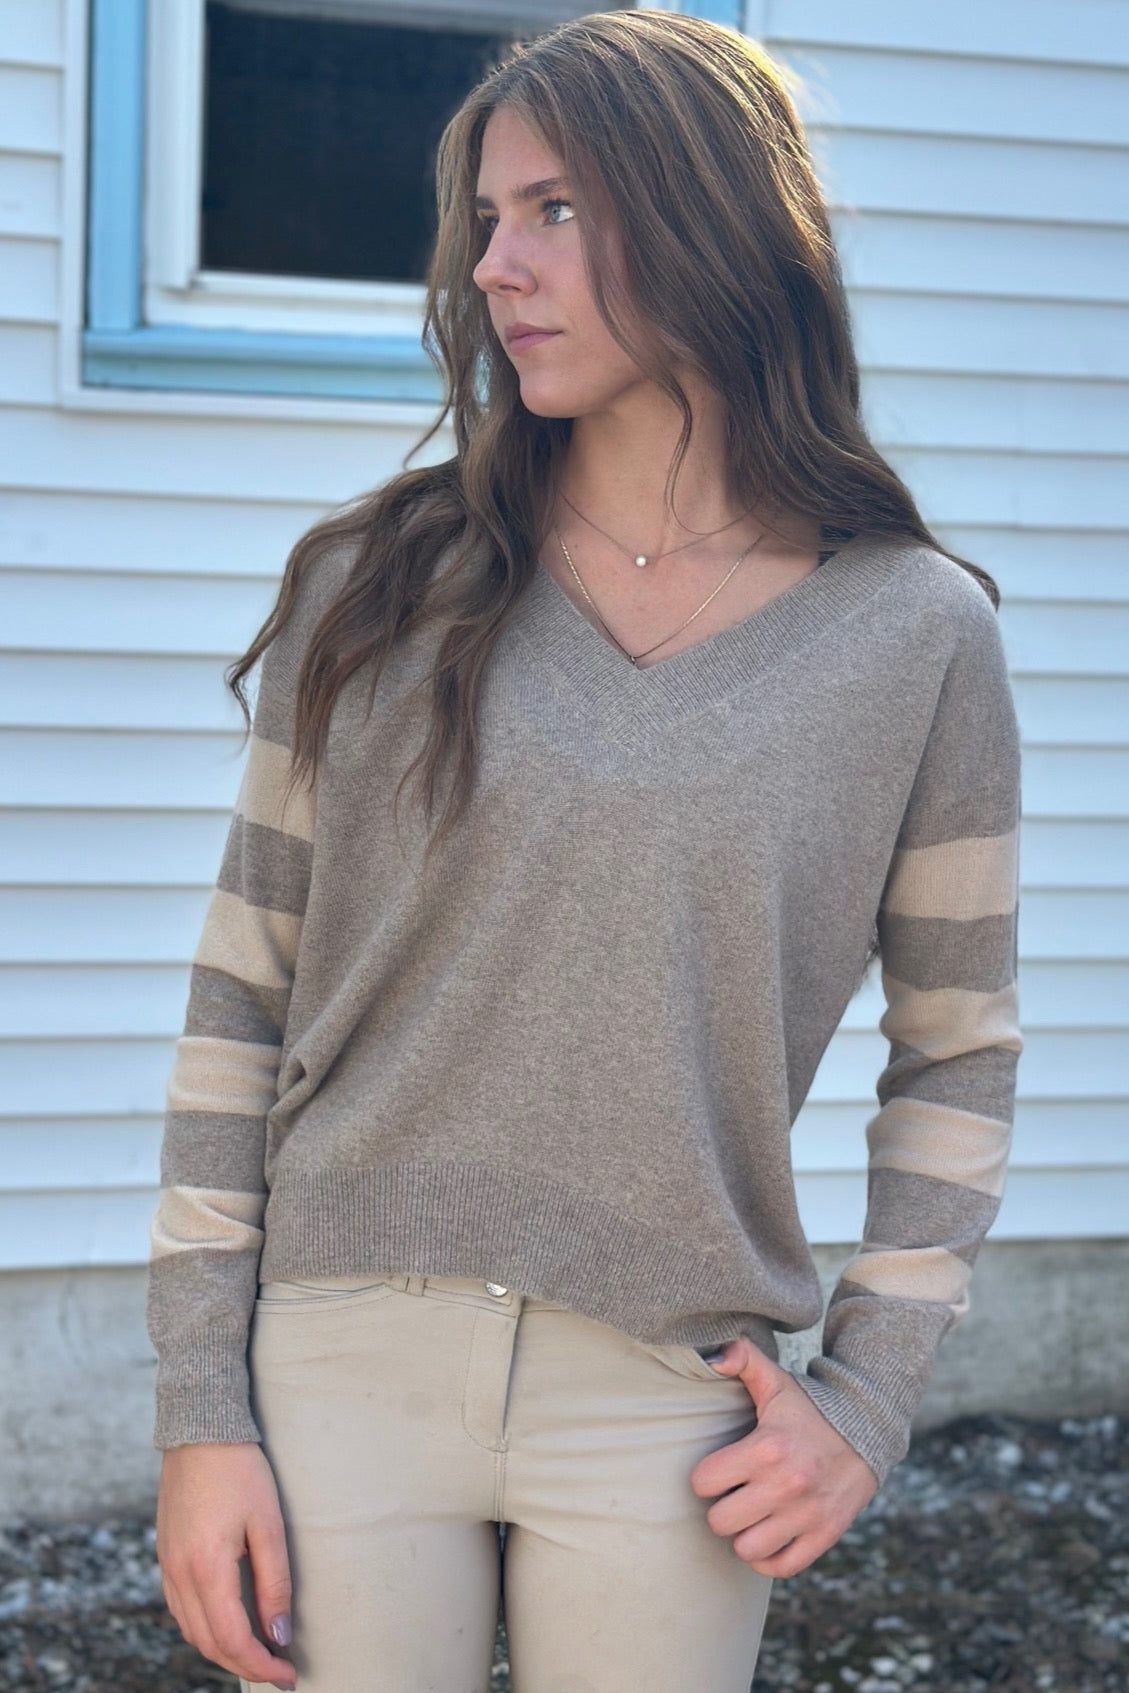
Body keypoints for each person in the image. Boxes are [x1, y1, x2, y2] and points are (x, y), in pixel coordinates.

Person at [146, 11, 1023, 1692]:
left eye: (552, 210)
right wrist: (199, 1407)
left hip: (669, 1400)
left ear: (711, 221)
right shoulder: (378, 586)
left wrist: (866, 1398)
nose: (494, 265)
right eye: (487, 219)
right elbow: (240, 994)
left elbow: (957, 1048)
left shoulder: (914, 639)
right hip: (338, 1359)